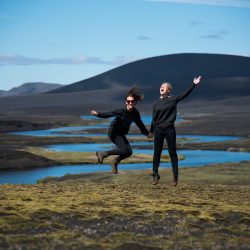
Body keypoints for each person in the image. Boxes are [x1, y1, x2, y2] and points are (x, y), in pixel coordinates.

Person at [149, 76, 202, 186]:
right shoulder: (156, 103)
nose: (161, 88)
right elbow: (153, 118)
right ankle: (155, 174)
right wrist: (151, 131)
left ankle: (175, 176)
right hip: (158, 130)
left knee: (172, 153)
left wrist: (194, 84)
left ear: (168, 90)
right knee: (156, 153)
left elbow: (185, 94)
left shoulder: (173, 99)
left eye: (164, 87)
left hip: (169, 129)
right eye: (161, 86)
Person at [90, 86, 151, 174]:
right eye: (128, 101)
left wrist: (147, 133)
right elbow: (108, 114)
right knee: (124, 150)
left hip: (121, 133)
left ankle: (115, 161)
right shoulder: (121, 111)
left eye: (132, 101)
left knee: (129, 152)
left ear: (135, 102)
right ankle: (103, 153)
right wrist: (97, 114)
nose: (130, 103)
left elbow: (140, 125)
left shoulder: (135, 113)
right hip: (113, 132)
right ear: (126, 102)